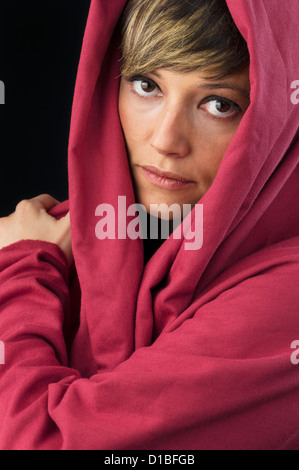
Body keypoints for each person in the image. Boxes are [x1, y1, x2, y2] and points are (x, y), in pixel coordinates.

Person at [0, 0, 298, 450]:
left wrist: (21, 272)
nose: (165, 140)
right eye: (146, 85)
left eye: (219, 104)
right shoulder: (61, 233)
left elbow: (46, 443)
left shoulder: (288, 298)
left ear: (277, 121)